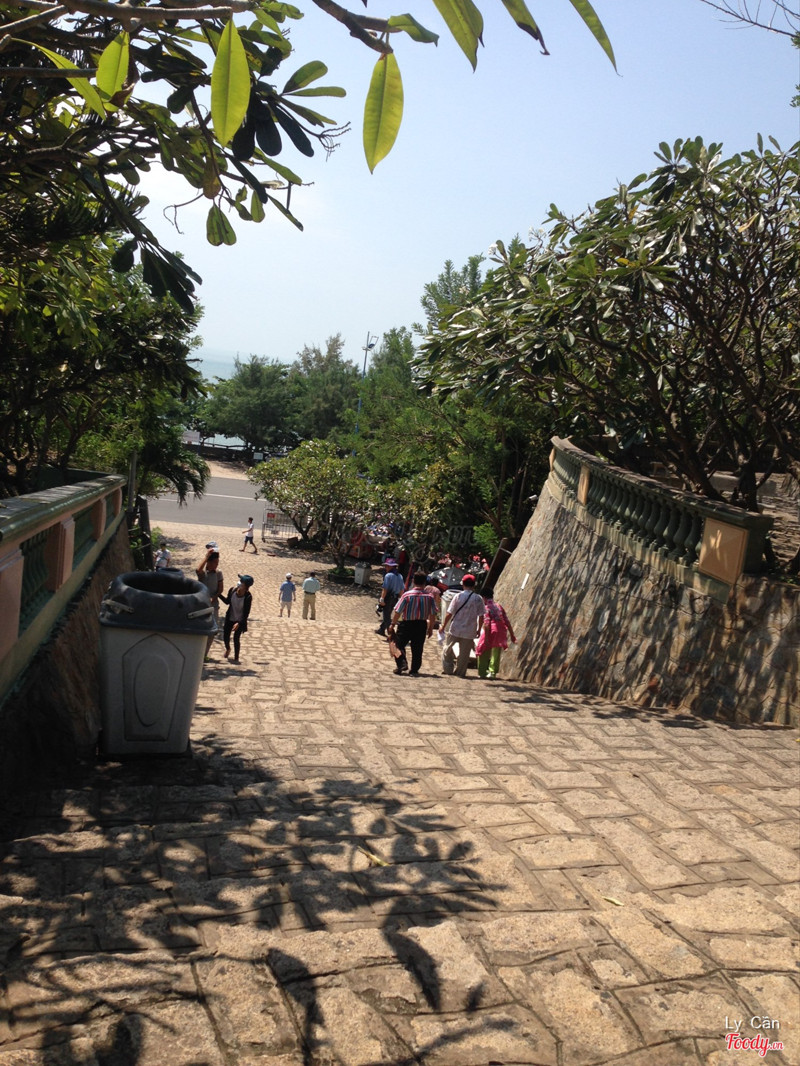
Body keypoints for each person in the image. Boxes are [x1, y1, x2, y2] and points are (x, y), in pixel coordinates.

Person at [390, 572, 438, 676]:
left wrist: (392, 624)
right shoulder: (429, 597)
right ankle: (414, 669)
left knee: (396, 644)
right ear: (425, 582)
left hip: (406, 624)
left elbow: (398, 611)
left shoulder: (407, 595)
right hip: (421, 625)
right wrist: (430, 628)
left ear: (413, 581)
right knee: (418, 648)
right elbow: (433, 614)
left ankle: (402, 663)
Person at [441, 573, 484, 678]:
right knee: (464, 654)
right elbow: (481, 616)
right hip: (470, 630)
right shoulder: (478, 598)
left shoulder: (458, 596)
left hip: (455, 628)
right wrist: (479, 629)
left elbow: (449, 613)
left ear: (463, 584)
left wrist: (443, 625)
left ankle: (448, 669)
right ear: (474, 585)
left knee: (447, 649)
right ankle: (460, 673)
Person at [476, 588, 516, 679]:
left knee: (482, 649)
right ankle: (492, 672)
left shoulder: (486, 608)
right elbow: (506, 621)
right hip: (502, 631)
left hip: (491, 630)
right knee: (496, 652)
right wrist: (512, 635)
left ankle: (482, 672)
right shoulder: (499, 606)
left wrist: (486, 638)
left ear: (483, 597)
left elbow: (487, 623)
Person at [220, 574, 253, 664]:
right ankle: (228, 649)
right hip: (230, 618)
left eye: (242, 582)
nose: (240, 583)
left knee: (236, 638)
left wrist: (239, 623)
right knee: (226, 636)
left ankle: (236, 657)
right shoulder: (232, 590)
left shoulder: (248, 597)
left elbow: (246, 613)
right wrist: (218, 594)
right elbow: (227, 602)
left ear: (246, 586)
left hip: (240, 621)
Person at [196, 548, 224, 657]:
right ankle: (199, 653)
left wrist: (214, 597)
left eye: (218, 562)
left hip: (213, 606)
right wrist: (206, 556)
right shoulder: (203, 574)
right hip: (201, 605)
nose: (216, 565)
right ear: (209, 562)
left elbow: (220, 589)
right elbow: (198, 569)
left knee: (213, 630)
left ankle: (205, 654)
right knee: (201, 629)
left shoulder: (218, 573)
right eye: (215, 562)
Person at [376, 558, 405, 637]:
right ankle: (381, 629)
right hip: (395, 598)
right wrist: (400, 599)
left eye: (387, 566)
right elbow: (402, 590)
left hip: (388, 597)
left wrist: (382, 599)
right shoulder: (400, 576)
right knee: (388, 614)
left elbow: (385, 589)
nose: (386, 567)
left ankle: (391, 634)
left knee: (386, 616)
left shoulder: (388, 576)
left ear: (391, 566)